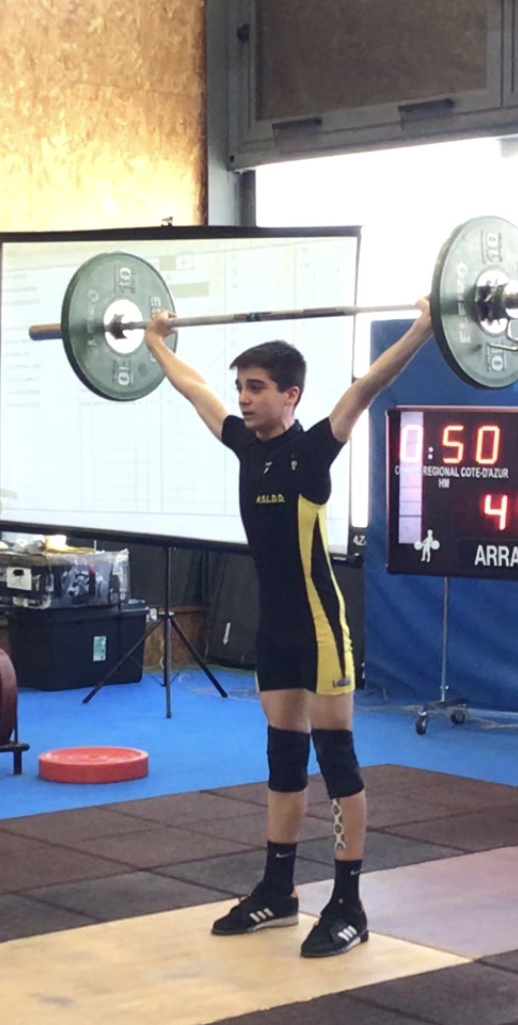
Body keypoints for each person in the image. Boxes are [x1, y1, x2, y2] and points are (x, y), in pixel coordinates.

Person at [144, 299, 435, 957]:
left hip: (320, 629)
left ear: (290, 394)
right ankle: (278, 891)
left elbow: (368, 385)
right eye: (241, 387)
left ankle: (349, 902)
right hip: (274, 630)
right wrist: (156, 341)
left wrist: (423, 326)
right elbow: (195, 390)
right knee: (283, 757)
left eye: (256, 388)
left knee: (336, 758)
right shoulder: (246, 446)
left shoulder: (312, 452)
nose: (243, 399)